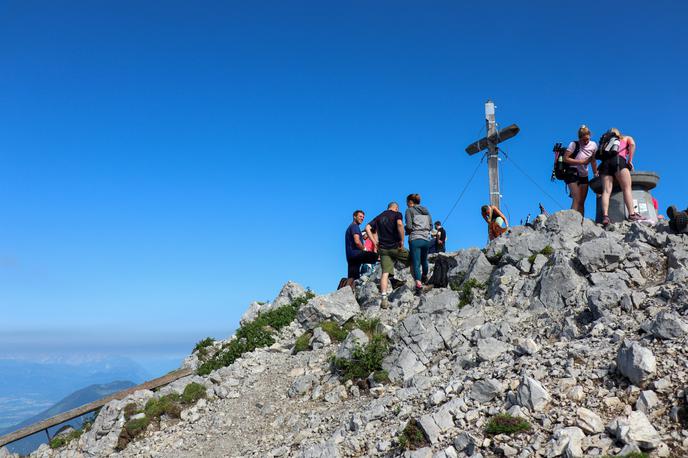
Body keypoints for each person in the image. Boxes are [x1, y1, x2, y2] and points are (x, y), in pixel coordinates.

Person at [366, 202, 409, 306]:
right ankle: (418, 285)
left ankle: (384, 298)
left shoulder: (379, 216)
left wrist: (375, 242)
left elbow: (367, 227)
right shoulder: (397, 214)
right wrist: (402, 240)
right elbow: (399, 224)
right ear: (396, 208)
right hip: (395, 247)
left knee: (385, 273)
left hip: (383, 249)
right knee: (413, 260)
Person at [598, 128, 643, 226]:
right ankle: (632, 214)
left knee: (606, 191)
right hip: (619, 161)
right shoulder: (626, 138)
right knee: (626, 188)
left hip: (605, 164)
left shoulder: (606, 141)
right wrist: (630, 160)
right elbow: (632, 144)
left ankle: (605, 216)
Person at [563, 125, 598, 217]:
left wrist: (595, 173)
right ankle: (570, 221)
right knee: (577, 198)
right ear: (579, 138)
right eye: (583, 140)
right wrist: (582, 162)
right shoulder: (573, 144)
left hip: (584, 175)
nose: (586, 141)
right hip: (572, 172)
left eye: (588, 139)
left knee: (582, 201)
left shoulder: (593, 145)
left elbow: (593, 160)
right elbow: (565, 158)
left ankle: (581, 223)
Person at [405, 194, 433, 294]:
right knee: (424, 260)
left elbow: (409, 226)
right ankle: (424, 276)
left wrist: (405, 231)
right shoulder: (426, 210)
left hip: (415, 239)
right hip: (426, 239)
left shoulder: (409, 210)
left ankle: (418, 285)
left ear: (410, 202)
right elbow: (431, 226)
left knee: (416, 263)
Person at [345, 210, 378, 280]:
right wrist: (364, 249)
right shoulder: (355, 226)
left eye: (363, 217)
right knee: (376, 257)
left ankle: (347, 289)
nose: (362, 218)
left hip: (350, 257)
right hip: (357, 254)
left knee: (353, 278)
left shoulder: (350, 227)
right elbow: (357, 241)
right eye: (360, 216)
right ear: (354, 217)